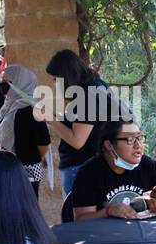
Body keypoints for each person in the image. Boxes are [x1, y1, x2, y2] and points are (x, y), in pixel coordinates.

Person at [43, 49, 130, 197]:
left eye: (56, 79)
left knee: (79, 217)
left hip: (80, 167)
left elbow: (77, 140)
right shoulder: (95, 86)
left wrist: (49, 118)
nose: (54, 83)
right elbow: (84, 124)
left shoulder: (87, 95)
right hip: (91, 164)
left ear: (66, 76)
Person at [69, 119, 156, 221]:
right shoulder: (89, 173)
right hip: (105, 236)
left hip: (143, 235)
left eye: (140, 138)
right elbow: (81, 220)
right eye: (130, 139)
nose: (138, 145)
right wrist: (108, 211)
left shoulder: (148, 166)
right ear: (109, 145)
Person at [0, 65, 51, 198]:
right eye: (2, 81)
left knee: (24, 210)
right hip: (5, 167)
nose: (3, 84)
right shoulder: (7, 105)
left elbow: (43, 143)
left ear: (22, 83)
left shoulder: (32, 109)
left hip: (26, 171)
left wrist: (32, 157)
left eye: (8, 82)